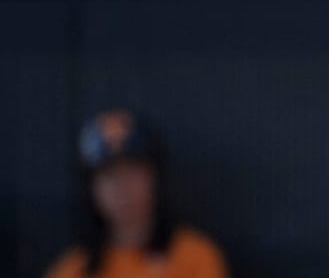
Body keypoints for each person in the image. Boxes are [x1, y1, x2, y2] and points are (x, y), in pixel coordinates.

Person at [45, 110, 227, 278]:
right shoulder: (74, 269)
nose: (122, 186)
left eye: (132, 171)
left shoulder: (194, 257)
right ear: (92, 188)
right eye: (109, 175)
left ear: (155, 177)